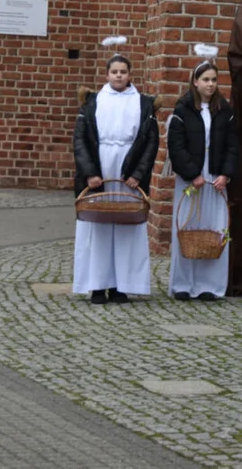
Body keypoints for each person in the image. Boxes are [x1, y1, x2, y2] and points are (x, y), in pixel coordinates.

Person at [73, 36, 160, 304]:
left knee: (126, 225)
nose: (119, 76)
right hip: (101, 166)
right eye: (114, 72)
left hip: (128, 168)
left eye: (123, 72)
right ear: (107, 74)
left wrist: (138, 175)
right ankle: (98, 285)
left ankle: (122, 285)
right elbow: (80, 140)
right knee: (98, 225)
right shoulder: (93, 102)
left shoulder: (143, 104)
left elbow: (151, 143)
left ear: (130, 74)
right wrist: (90, 173)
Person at [167, 44, 239, 301]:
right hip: (193, 179)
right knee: (188, 227)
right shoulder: (183, 109)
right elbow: (176, 146)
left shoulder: (224, 111)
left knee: (213, 229)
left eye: (214, 80)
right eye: (205, 80)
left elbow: (233, 145)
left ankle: (210, 285)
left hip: (215, 177)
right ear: (195, 82)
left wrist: (225, 174)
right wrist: (191, 174)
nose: (210, 84)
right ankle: (184, 284)